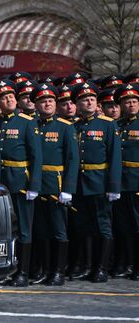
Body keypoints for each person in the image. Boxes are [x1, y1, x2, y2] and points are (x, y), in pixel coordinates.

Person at [0, 80, 42, 287]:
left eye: (11, 96)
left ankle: (23, 272)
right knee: (3, 229)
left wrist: (34, 186)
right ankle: (4, 269)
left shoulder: (26, 122)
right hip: (1, 183)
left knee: (23, 229)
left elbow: (36, 156)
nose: (9, 99)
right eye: (4, 97)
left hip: (21, 182)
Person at [71, 81, 121, 283]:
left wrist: (113, 186)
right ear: (78, 103)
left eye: (92, 99)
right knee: (84, 226)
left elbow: (114, 157)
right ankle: (88, 266)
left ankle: (102, 268)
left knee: (103, 226)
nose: (89, 102)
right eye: (85, 99)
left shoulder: (108, 125)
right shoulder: (74, 126)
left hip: (100, 183)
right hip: (80, 183)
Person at [30, 83, 79, 286]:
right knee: (41, 231)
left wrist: (68, 189)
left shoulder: (65, 127)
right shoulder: (31, 125)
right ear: (36, 104)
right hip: (36, 185)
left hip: (56, 185)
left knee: (59, 230)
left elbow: (72, 159)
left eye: (51, 100)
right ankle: (44, 270)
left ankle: (58, 272)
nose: (48, 104)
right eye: (43, 101)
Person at [113, 84, 139, 280]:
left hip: (137, 182)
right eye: (127, 102)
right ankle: (127, 263)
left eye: (134, 101)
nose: (131, 105)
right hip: (121, 183)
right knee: (124, 227)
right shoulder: (117, 125)